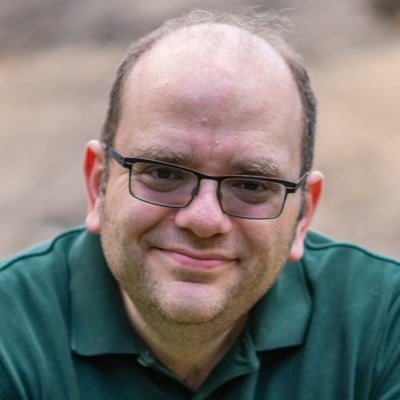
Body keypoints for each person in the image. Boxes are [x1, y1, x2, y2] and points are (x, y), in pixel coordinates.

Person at [1, 8, 400, 400]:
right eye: (163, 173)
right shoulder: (11, 331)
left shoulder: (384, 323)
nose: (204, 219)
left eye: (251, 184)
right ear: (99, 184)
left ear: (302, 215)